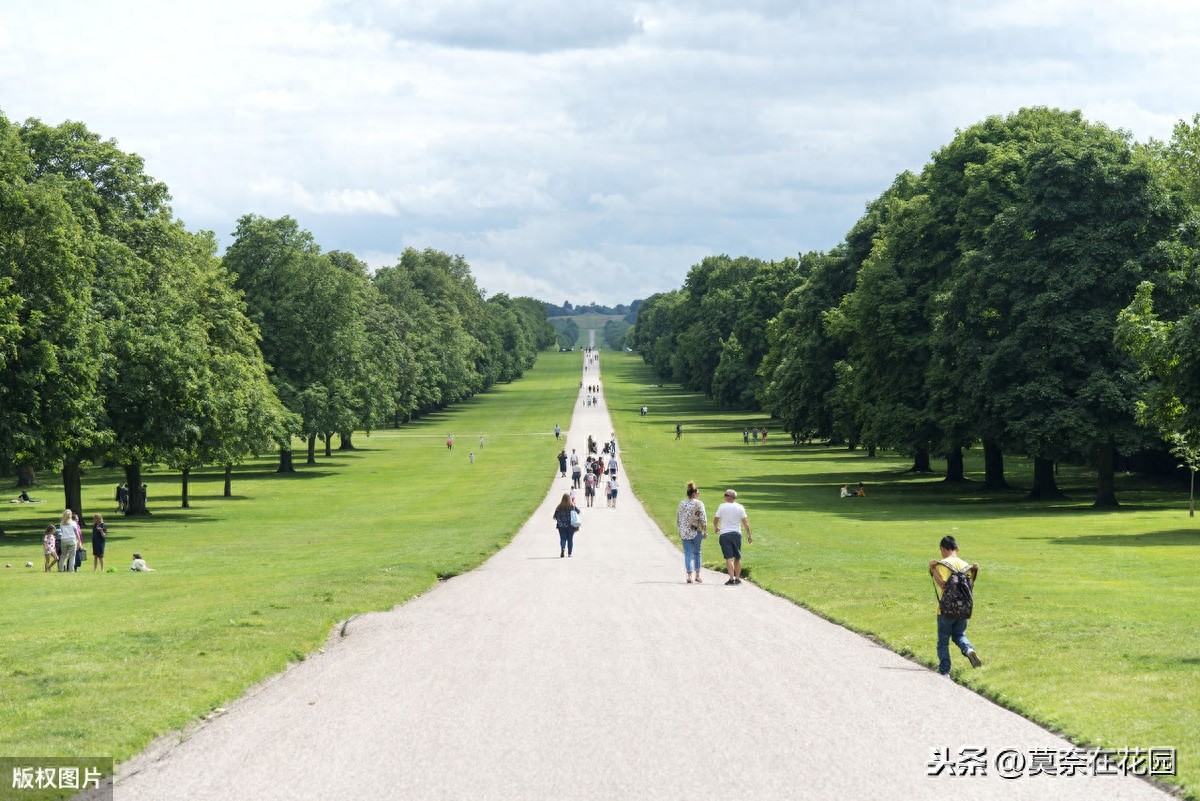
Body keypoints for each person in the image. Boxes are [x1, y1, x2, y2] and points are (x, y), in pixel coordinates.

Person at [929, 535, 982, 675]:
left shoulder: (942, 564)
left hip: (945, 610)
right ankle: (968, 649)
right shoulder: (966, 565)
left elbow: (943, 585)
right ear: (957, 549)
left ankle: (945, 671)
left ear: (942, 549)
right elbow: (969, 586)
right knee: (959, 634)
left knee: (943, 641)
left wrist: (933, 569)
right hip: (963, 609)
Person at [714, 489, 752, 585]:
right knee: (737, 557)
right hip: (736, 534)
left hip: (725, 534)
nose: (724, 496)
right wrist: (749, 535)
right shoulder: (740, 507)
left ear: (730, 497)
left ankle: (731, 578)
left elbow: (716, 519)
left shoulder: (722, 507)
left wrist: (716, 527)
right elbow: (745, 522)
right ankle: (738, 578)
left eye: (726, 495)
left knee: (728, 557)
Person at [676, 481, 707, 584]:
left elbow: (678, 517)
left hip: (684, 531)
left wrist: (680, 529)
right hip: (695, 531)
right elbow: (703, 518)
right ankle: (697, 575)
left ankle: (689, 576)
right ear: (694, 494)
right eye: (697, 493)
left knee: (688, 553)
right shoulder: (699, 503)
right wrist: (705, 530)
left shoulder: (682, 503)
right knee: (697, 552)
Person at [552, 493, 577, 557]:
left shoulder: (559, 506)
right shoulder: (572, 506)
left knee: (563, 538)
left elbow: (555, 516)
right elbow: (578, 512)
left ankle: (563, 549)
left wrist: (560, 520)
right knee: (570, 539)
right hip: (571, 525)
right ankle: (569, 553)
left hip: (561, 526)